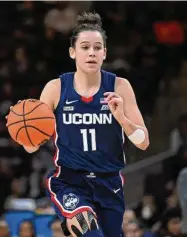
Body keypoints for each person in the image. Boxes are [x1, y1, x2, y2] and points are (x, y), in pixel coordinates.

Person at [7, 12, 149, 237]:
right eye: (84, 47)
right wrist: (26, 133)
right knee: (88, 229)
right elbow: (31, 147)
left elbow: (143, 142)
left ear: (105, 53)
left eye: (97, 47)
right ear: (73, 52)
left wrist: (122, 117)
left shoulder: (120, 86)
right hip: (70, 182)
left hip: (109, 182)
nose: (91, 52)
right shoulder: (56, 88)